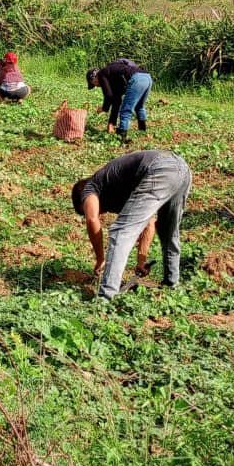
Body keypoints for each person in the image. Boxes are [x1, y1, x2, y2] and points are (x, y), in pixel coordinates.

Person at [72, 149, 191, 299]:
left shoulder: (91, 186)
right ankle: (171, 284)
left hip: (159, 167)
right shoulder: (120, 189)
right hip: (182, 169)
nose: (100, 213)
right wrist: (141, 261)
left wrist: (100, 259)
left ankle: (106, 296)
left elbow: (92, 220)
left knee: (120, 232)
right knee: (168, 230)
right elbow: (148, 223)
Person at [86, 58, 153, 142]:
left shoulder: (101, 74)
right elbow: (116, 101)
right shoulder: (114, 77)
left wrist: (104, 108)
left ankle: (122, 137)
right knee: (139, 106)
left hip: (137, 79)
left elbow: (108, 96)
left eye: (93, 84)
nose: (96, 86)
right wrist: (112, 123)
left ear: (93, 77)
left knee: (126, 110)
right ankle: (142, 130)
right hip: (147, 78)